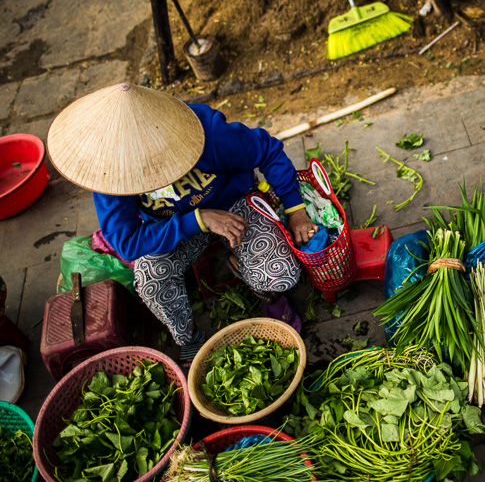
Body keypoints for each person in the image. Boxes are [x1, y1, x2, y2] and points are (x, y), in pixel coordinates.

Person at [47, 83, 317, 364]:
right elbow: (126, 243)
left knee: (281, 274)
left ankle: (262, 289)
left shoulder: (206, 131)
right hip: (173, 226)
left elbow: (268, 151)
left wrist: (295, 208)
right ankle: (190, 338)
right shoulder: (111, 172)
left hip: (233, 205)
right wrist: (198, 220)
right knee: (150, 280)